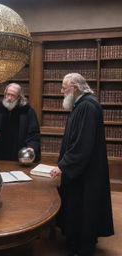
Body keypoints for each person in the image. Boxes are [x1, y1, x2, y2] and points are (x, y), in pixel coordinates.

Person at [50, 73, 114, 256]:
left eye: (64, 88)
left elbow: (82, 143)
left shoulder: (87, 106)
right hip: (82, 168)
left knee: (84, 208)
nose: (62, 92)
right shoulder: (81, 104)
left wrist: (64, 165)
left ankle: (82, 247)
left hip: (86, 172)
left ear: (74, 88)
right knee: (80, 207)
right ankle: (78, 240)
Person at [0, 83, 41, 162]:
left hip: (18, 152)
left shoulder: (27, 111)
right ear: (5, 94)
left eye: (13, 95)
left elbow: (34, 133)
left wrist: (31, 147)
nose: (9, 98)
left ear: (19, 97)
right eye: (8, 94)